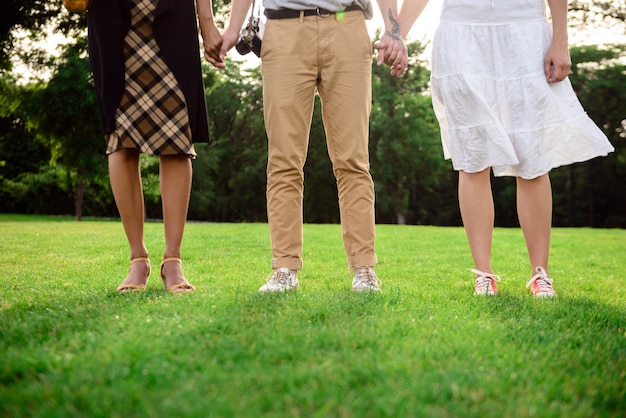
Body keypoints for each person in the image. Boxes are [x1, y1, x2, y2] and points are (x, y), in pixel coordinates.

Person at [378, 0, 614, 297]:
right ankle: (484, 275)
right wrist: (398, 35)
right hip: (460, 33)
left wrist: (560, 38)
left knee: (531, 159)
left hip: (525, 31)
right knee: (473, 156)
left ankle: (540, 274)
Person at [216, 0, 408, 292]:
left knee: (353, 161)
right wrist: (232, 28)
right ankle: (284, 268)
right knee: (283, 161)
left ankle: (364, 268)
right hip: (284, 30)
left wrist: (394, 31)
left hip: (348, 25)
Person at [87, 0, 224, 293]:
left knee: (176, 141)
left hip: (173, 13)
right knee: (121, 140)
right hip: (112, 18)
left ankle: (172, 261)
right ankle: (138, 259)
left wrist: (207, 21)